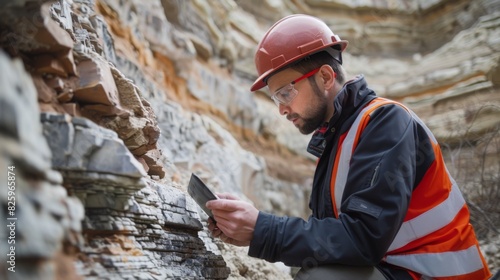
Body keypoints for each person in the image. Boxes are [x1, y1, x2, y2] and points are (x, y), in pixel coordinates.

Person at [206, 14, 491, 280]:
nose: (282, 109)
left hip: (436, 275)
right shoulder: (337, 140)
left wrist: (261, 229)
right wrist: (249, 227)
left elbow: (362, 239)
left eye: (285, 93)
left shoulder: (386, 122)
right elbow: (330, 242)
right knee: (307, 265)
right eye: (275, 98)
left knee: (317, 275)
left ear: (326, 77)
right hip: (398, 272)